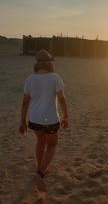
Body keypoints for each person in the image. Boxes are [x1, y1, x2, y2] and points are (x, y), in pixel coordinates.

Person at [19, 49, 69, 192]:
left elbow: (25, 103)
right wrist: (66, 116)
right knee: (52, 146)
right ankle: (40, 173)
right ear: (49, 63)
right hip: (51, 120)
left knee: (40, 142)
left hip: (34, 120)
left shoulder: (30, 79)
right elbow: (62, 100)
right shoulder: (55, 77)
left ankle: (41, 167)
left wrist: (22, 121)